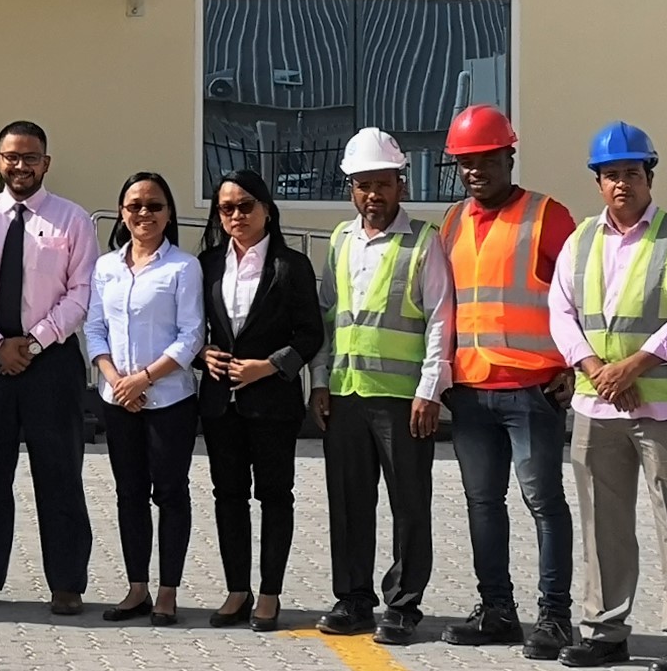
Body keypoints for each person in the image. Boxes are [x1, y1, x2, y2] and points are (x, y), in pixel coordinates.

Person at [552, 121, 667, 671]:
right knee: (602, 524)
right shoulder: (579, 241)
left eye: (631, 172)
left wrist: (635, 365)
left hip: (660, 409)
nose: (621, 183)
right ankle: (604, 632)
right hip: (596, 406)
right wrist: (597, 369)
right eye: (610, 175)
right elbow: (561, 313)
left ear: (649, 175)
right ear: (598, 182)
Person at [433, 101, 580, 658]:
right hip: (471, 392)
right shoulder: (450, 222)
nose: (475, 170)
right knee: (483, 503)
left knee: (543, 501)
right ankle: (497, 610)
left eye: (486, 158)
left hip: (533, 389)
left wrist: (571, 366)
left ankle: (555, 617)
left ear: (508, 156)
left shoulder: (548, 216)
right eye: (465, 162)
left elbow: (578, 298)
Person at [0, 118, 97, 616]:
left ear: (46, 163)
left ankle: (66, 582)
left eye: (30, 157)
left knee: (59, 472)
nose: (20, 166)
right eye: (11, 157)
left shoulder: (72, 220)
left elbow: (81, 293)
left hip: (51, 363)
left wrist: (32, 344)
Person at [314, 127, 449, 644]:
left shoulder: (424, 242)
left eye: (384, 184)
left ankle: (403, 605)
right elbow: (329, 316)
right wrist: (320, 381)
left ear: (401, 184)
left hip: (402, 399)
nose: (374, 195)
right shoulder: (341, 240)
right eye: (364, 185)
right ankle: (352, 599)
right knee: (348, 503)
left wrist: (430, 390)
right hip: (346, 394)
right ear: (351, 188)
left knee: (409, 504)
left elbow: (441, 319)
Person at [197, 167, 326, 632]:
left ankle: (269, 592)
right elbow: (195, 329)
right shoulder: (208, 263)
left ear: (267, 211)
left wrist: (269, 366)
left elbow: (310, 333)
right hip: (219, 402)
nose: (235, 215)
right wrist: (202, 354)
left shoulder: (292, 266)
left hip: (272, 401)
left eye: (245, 206)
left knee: (275, 495)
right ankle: (237, 589)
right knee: (227, 495)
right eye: (226, 208)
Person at [88, 170, 206, 625]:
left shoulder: (182, 267)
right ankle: (136, 586)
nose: (144, 214)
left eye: (154, 206)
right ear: (122, 212)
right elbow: (94, 328)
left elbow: (191, 335)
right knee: (129, 494)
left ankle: (167, 591)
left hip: (169, 400)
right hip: (117, 399)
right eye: (135, 205)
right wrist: (117, 380)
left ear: (169, 213)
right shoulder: (106, 267)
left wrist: (144, 379)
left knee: (171, 493)